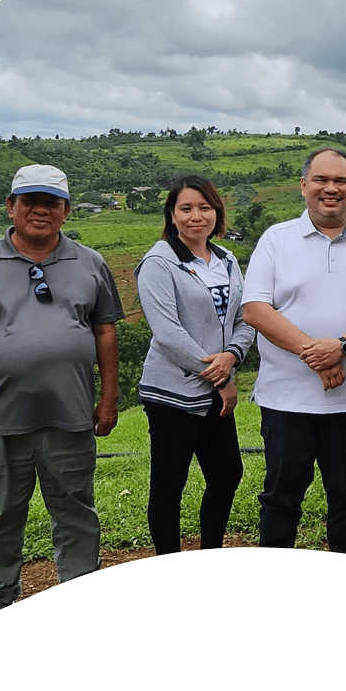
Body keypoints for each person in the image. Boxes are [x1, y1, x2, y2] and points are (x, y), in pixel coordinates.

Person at [0, 164, 123, 622]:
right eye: (29, 201)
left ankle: (80, 585)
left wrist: (107, 398)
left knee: (75, 509)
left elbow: (104, 332)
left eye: (52, 203)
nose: (40, 210)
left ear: (65, 210)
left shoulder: (91, 262)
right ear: (11, 206)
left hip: (71, 411)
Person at [243, 148, 346, 555]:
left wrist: (342, 347)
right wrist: (316, 355)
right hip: (286, 400)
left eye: (341, 181)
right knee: (281, 497)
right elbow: (256, 309)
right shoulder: (276, 240)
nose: (330, 189)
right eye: (320, 180)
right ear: (303, 186)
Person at [135, 175, 255, 554]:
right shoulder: (159, 262)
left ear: (217, 213)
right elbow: (168, 334)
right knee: (170, 485)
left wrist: (233, 355)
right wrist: (221, 379)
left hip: (215, 391)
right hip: (173, 393)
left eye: (205, 208)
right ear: (172, 215)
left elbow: (244, 317)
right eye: (185, 208)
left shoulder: (226, 259)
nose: (196, 216)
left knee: (226, 474)